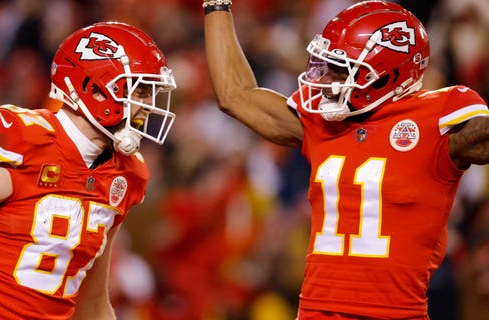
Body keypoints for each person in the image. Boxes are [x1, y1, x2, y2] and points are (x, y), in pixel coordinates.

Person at [203, 0, 489, 319]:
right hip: (314, 311)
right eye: (328, 67)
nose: (326, 81)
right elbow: (235, 95)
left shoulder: (437, 119)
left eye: (342, 70)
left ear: (387, 74)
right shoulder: (322, 122)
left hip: (394, 313)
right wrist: (216, 5)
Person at [0, 21, 177, 320]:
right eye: (140, 91)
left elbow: (92, 303)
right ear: (95, 89)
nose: (148, 105)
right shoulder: (20, 141)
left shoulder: (125, 174)